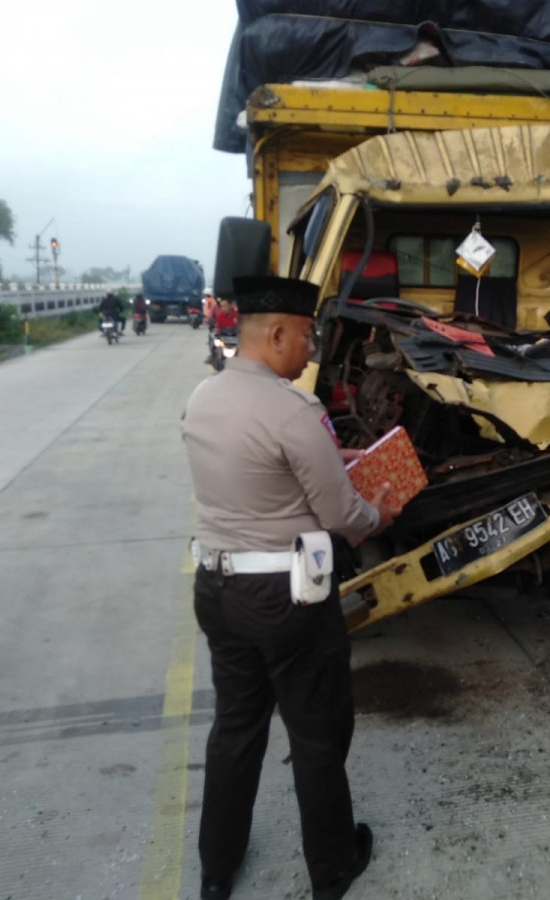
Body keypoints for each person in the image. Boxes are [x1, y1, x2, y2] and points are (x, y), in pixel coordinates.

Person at [181, 275, 397, 900]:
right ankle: (331, 868)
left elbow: (255, 479)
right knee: (316, 730)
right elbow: (342, 516)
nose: (312, 348)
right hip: (288, 599)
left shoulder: (202, 397)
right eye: (305, 335)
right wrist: (378, 512)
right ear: (274, 333)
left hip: (217, 591)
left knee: (235, 728)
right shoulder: (292, 408)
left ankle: (217, 870)